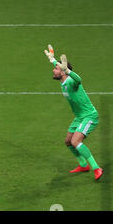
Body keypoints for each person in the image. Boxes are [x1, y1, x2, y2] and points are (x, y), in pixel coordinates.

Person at [44, 44, 103, 181]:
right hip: (79, 117)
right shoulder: (63, 82)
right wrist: (52, 59)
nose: (54, 70)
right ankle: (83, 165)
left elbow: (79, 80)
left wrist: (69, 72)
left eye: (56, 69)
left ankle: (96, 168)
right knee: (68, 142)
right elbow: (60, 68)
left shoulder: (70, 81)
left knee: (76, 141)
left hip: (89, 116)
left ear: (64, 72)